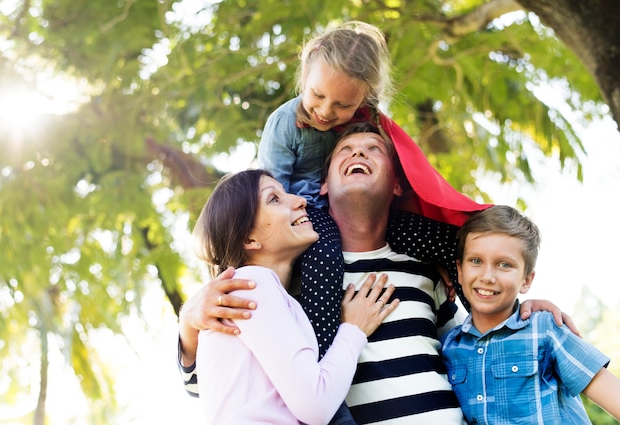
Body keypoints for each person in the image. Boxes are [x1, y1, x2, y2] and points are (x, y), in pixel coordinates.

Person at [178, 124, 575, 423]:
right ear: (323, 186)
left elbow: (472, 345)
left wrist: (520, 311)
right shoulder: (292, 277)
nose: (359, 153)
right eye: (345, 150)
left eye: (374, 149)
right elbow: (210, 386)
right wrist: (190, 325)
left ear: (398, 184)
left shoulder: (425, 269)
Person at [257, 20, 491, 363]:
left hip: (360, 215)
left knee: (447, 240)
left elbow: (405, 177)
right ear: (306, 71)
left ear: (362, 99)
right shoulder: (284, 124)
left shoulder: (365, 124)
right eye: (318, 95)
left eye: (341, 105)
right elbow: (271, 189)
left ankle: (493, 325)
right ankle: (317, 362)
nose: (325, 111)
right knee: (323, 257)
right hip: (306, 215)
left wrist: (439, 259)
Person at [189, 168, 399, 424]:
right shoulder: (252, 284)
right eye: (274, 199)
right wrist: (353, 331)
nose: (301, 201)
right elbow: (316, 405)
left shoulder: (260, 292)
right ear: (249, 238)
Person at [440, 205, 620, 423]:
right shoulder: (450, 346)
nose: (487, 276)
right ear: (459, 271)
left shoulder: (545, 328)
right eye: (476, 261)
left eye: (504, 264)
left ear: (526, 280)